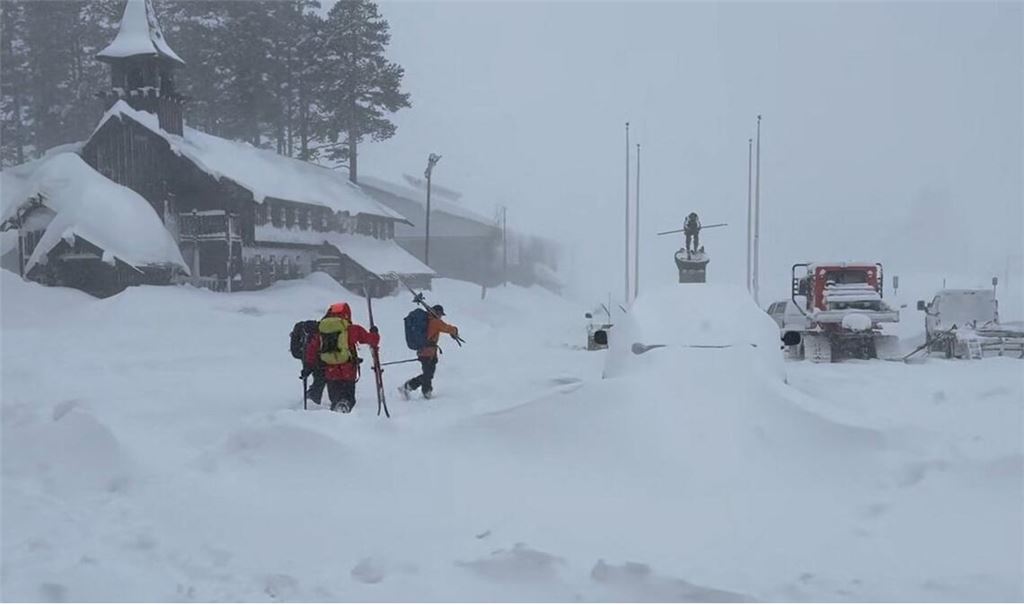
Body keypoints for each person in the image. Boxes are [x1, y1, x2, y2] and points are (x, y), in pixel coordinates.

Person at [303, 302, 380, 413]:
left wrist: (308, 366)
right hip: (348, 369)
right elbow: (372, 340)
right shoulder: (351, 329)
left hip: (330, 370)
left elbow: (312, 349)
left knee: (335, 398)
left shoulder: (321, 329)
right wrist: (374, 332)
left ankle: (336, 416)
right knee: (349, 397)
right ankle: (345, 410)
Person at [399, 304, 459, 400]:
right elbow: (447, 328)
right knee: (428, 374)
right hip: (428, 352)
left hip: (425, 351)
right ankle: (415, 389)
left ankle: (422, 390)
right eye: (441, 314)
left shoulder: (428, 320)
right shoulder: (435, 322)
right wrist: (455, 330)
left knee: (428, 374)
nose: (441, 317)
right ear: (438, 313)